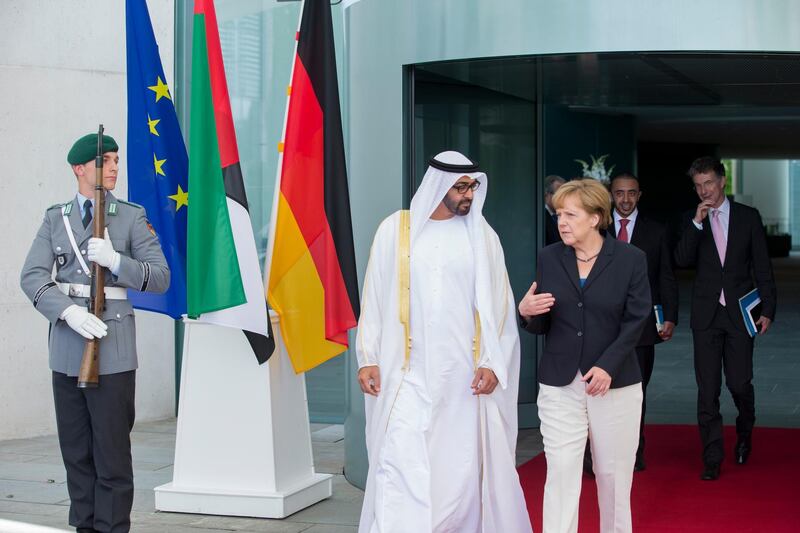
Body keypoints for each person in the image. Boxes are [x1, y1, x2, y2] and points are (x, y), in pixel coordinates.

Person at [355, 151, 531, 533]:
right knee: (398, 456)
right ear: (437, 185)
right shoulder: (395, 231)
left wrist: (491, 363)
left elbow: (498, 307)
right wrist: (367, 357)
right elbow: (374, 296)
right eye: (461, 187)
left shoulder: (482, 237)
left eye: (472, 187)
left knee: (457, 466)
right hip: (404, 372)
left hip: (460, 376)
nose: (469, 194)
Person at [20, 132, 170, 533]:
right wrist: (67, 312)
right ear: (80, 168)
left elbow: (160, 278)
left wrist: (117, 261)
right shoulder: (57, 218)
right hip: (68, 348)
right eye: (106, 161)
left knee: (112, 454)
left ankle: (112, 527)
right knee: (76, 453)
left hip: (114, 349)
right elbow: (32, 276)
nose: (115, 167)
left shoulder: (131, 216)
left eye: (117, 160)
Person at [519, 178, 651, 533]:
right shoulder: (549, 256)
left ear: (595, 218)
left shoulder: (630, 259)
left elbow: (637, 319)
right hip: (561, 382)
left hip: (615, 383)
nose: (561, 221)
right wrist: (528, 311)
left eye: (571, 214)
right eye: (559, 213)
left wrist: (608, 365)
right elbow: (544, 322)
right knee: (561, 470)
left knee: (612, 476)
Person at [674, 156, 776, 481]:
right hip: (705, 316)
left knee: (739, 383)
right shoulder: (693, 219)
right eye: (698, 186)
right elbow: (681, 259)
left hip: (740, 314)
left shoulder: (748, 217)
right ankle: (712, 456)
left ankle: (745, 432)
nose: (704, 190)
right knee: (708, 390)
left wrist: (769, 310)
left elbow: (762, 267)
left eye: (709, 183)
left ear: (723, 182)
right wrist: (696, 223)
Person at [608, 172, 679, 470]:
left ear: (640, 195)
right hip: (602, 325)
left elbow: (665, 275)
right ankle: (595, 453)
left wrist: (670, 316)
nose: (625, 199)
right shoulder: (595, 226)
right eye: (620, 193)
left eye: (631, 193)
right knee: (598, 392)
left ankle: (634, 453)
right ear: (611, 194)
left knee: (636, 392)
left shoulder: (657, 231)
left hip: (642, 326)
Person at [544, 174, 565, 245]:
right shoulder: (540, 218)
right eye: (559, 194)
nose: (563, 198)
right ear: (546, 194)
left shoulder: (564, 215)